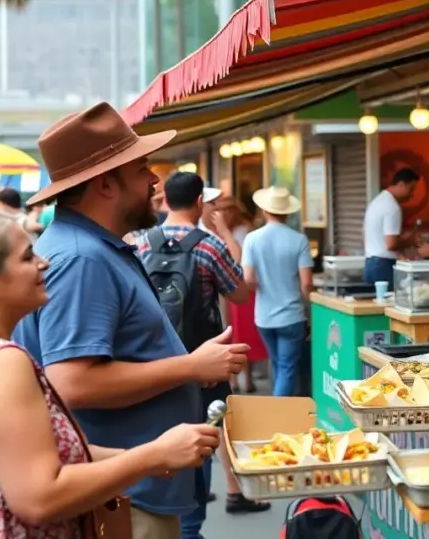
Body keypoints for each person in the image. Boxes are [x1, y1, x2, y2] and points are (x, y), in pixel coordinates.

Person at [13, 102, 250, 539]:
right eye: (142, 168)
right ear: (105, 184)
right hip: (125, 497)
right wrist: (191, 367)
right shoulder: (82, 259)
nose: (154, 180)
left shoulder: (93, 249)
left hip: (133, 489)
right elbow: (73, 382)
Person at [0, 202, 219, 536]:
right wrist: (152, 457)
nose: (44, 262)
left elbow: (28, 457)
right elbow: (39, 497)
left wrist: (151, 456)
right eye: (28, 257)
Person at [135, 172, 267, 536]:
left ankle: (166, 517)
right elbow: (240, 294)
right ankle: (191, 526)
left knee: (159, 433)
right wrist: (224, 235)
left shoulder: (140, 243)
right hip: (204, 360)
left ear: (165, 201)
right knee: (204, 434)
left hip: (153, 361)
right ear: (198, 203)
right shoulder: (208, 246)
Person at [242, 186, 314, 397]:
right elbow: (306, 284)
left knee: (279, 365)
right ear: (288, 212)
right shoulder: (299, 240)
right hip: (291, 317)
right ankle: (277, 416)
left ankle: (278, 409)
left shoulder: (252, 239)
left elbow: (248, 279)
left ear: (265, 211)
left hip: (263, 317)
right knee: (286, 368)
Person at [213, 196, 266, 394]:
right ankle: (234, 380)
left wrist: (225, 232)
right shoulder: (216, 230)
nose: (221, 213)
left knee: (242, 334)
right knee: (231, 333)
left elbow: (240, 259)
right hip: (225, 288)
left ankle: (245, 378)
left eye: (226, 209)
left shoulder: (244, 230)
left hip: (241, 287)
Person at [363, 168, 419, 284]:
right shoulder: (392, 207)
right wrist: (409, 241)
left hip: (370, 263)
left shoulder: (377, 201)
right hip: (383, 266)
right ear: (401, 184)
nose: (412, 194)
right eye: (411, 189)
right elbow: (391, 244)